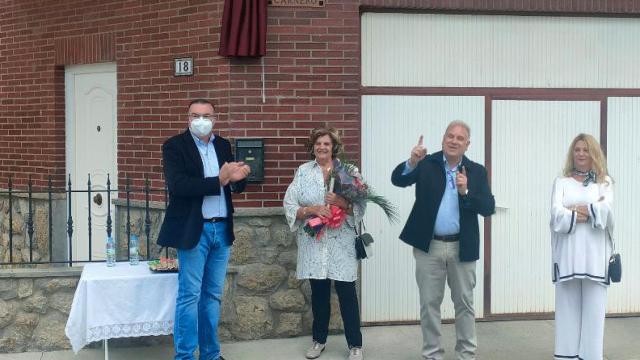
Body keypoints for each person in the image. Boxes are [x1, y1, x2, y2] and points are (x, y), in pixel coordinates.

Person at [391, 120, 495, 360]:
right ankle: (432, 354)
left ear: (467, 145)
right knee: (429, 305)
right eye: (450, 136)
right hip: (430, 246)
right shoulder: (427, 163)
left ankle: (466, 354)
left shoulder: (476, 171)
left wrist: (466, 192)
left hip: (463, 247)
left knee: (465, 305)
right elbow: (399, 180)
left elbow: (488, 207)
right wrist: (412, 162)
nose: (454, 141)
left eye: (460, 138)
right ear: (443, 139)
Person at [157, 99, 250, 360]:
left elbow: (232, 185)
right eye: (195, 115)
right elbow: (179, 186)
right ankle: (185, 356)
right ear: (187, 118)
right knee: (189, 296)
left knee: (212, 296)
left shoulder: (222, 145)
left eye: (206, 115)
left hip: (221, 229)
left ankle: (210, 354)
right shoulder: (175, 146)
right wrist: (219, 180)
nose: (201, 120)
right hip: (194, 230)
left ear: (215, 118)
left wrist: (238, 180)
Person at [283, 127, 366, 360]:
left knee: (347, 294)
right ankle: (319, 341)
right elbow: (289, 204)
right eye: (318, 143)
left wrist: (340, 201)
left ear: (334, 147)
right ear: (313, 147)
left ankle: (355, 345)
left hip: (341, 241)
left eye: (326, 144)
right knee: (319, 295)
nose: (322, 147)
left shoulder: (347, 171)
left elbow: (361, 205)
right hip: (314, 240)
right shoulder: (303, 172)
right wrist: (312, 209)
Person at [550, 133, 614, 360]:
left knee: (594, 317)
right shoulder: (561, 182)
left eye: (586, 150)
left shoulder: (603, 183)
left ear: (593, 153)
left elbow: (606, 212)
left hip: (596, 261)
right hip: (567, 260)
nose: (581, 154)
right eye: (577, 149)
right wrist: (589, 209)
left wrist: (575, 210)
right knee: (567, 315)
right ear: (572, 153)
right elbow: (556, 215)